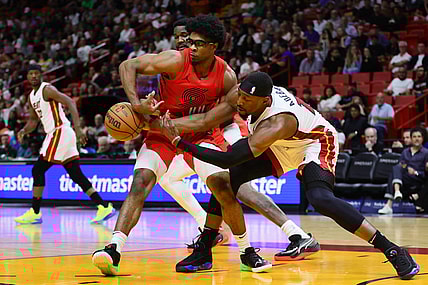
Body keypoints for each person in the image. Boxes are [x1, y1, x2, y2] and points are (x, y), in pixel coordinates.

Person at [160, 72, 420, 280]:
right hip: (283, 144)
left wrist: (180, 142)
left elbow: (229, 157)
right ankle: (205, 248)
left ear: (266, 101)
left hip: (314, 143)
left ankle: (390, 248)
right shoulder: (247, 95)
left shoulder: (278, 121)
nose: (240, 103)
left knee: (320, 199)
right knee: (226, 180)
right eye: (240, 96)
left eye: (247, 101)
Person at [92, 15, 273, 276]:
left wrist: (156, 125)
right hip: (161, 135)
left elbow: (208, 119)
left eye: (199, 44)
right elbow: (128, 65)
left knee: (223, 187)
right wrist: (136, 105)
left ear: (214, 46)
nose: (191, 48)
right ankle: (113, 248)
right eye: (190, 42)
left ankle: (246, 252)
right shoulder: (176, 60)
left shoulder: (228, 78)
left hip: (200, 135)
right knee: (141, 180)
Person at [161, 18, 317, 255]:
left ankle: (296, 234)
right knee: (168, 178)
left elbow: (222, 112)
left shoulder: (219, 70)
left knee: (240, 187)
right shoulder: (175, 67)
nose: (183, 41)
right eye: (179, 36)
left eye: (187, 36)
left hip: (226, 131)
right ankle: (208, 229)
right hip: (201, 135)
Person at [14, 65, 115, 224]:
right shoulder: (31, 96)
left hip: (60, 132)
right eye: (30, 74)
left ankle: (35, 211)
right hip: (56, 134)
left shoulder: (47, 89)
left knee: (38, 169)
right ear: (27, 77)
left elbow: (70, 102)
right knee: (75, 174)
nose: (33, 76)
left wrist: (79, 129)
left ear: (41, 75)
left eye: (36, 73)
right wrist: (24, 131)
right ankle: (104, 206)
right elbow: (33, 121)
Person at [378, 127, 428, 215]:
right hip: (405, 178)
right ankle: (396, 193)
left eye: (419, 136)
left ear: (422, 138)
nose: (416, 139)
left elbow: (426, 174)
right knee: (396, 168)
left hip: (417, 179)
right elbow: (402, 164)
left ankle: (389, 204)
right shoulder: (405, 152)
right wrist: (405, 167)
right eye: (414, 136)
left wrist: (415, 172)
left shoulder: (426, 153)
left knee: (395, 170)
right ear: (411, 138)